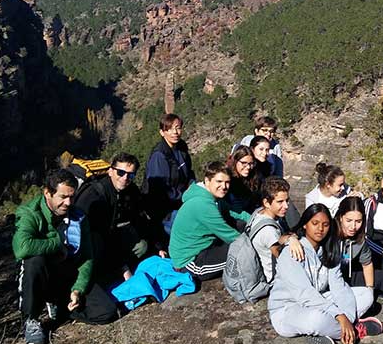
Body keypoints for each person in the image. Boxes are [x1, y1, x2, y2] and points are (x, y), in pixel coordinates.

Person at [13, 169, 117, 344]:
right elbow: (21, 248)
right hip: (44, 272)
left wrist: (78, 289)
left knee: (106, 312)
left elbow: (87, 256)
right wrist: (57, 243)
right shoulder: (31, 213)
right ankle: (31, 318)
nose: (68, 203)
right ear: (48, 193)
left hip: (68, 273)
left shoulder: (78, 217)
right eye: (62, 197)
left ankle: (61, 306)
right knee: (33, 261)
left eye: (72, 197)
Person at [268, 204, 383, 344]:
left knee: (366, 295)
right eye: (315, 223)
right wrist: (339, 316)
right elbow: (304, 294)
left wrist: (346, 317)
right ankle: (353, 331)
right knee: (316, 320)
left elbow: (338, 286)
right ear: (305, 224)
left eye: (325, 224)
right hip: (288, 309)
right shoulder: (292, 252)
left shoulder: (328, 250)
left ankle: (333, 329)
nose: (320, 229)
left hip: (319, 299)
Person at [75, 152, 151, 283]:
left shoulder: (130, 190)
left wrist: (158, 246)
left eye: (130, 174)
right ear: (110, 171)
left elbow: (140, 218)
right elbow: (99, 234)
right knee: (97, 243)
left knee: (142, 246)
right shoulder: (94, 195)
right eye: (120, 173)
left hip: (113, 234)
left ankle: (113, 267)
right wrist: (123, 268)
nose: (125, 178)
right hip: (89, 240)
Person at [169, 161, 251, 281]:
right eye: (219, 182)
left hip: (205, 246)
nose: (224, 186)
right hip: (191, 262)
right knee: (243, 251)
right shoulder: (202, 204)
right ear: (207, 181)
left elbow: (234, 212)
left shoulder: (211, 197)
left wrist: (257, 220)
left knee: (243, 226)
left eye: (227, 182)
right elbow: (229, 235)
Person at [143, 113, 196, 241]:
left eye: (177, 128)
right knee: (191, 230)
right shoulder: (159, 155)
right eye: (169, 129)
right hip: (165, 210)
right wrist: (184, 197)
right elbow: (159, 189)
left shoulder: (181, 148)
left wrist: (195, 188)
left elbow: (189, 173)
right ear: (162, 132)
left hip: (181, 201)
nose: (175, 132)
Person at [248, 176, 304, 284]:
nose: (286, 206)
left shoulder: (258, 213)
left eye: (287, 201)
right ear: (267, 203)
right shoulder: (268, 231)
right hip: (275, 278)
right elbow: (282, 257)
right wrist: (291, 239)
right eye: (280, 202)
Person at [226, 146, 262, 216]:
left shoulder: (254, 177)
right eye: (244, 163)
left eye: (251, 163)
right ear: (235, 161)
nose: (248, 167)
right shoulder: (227, 180)